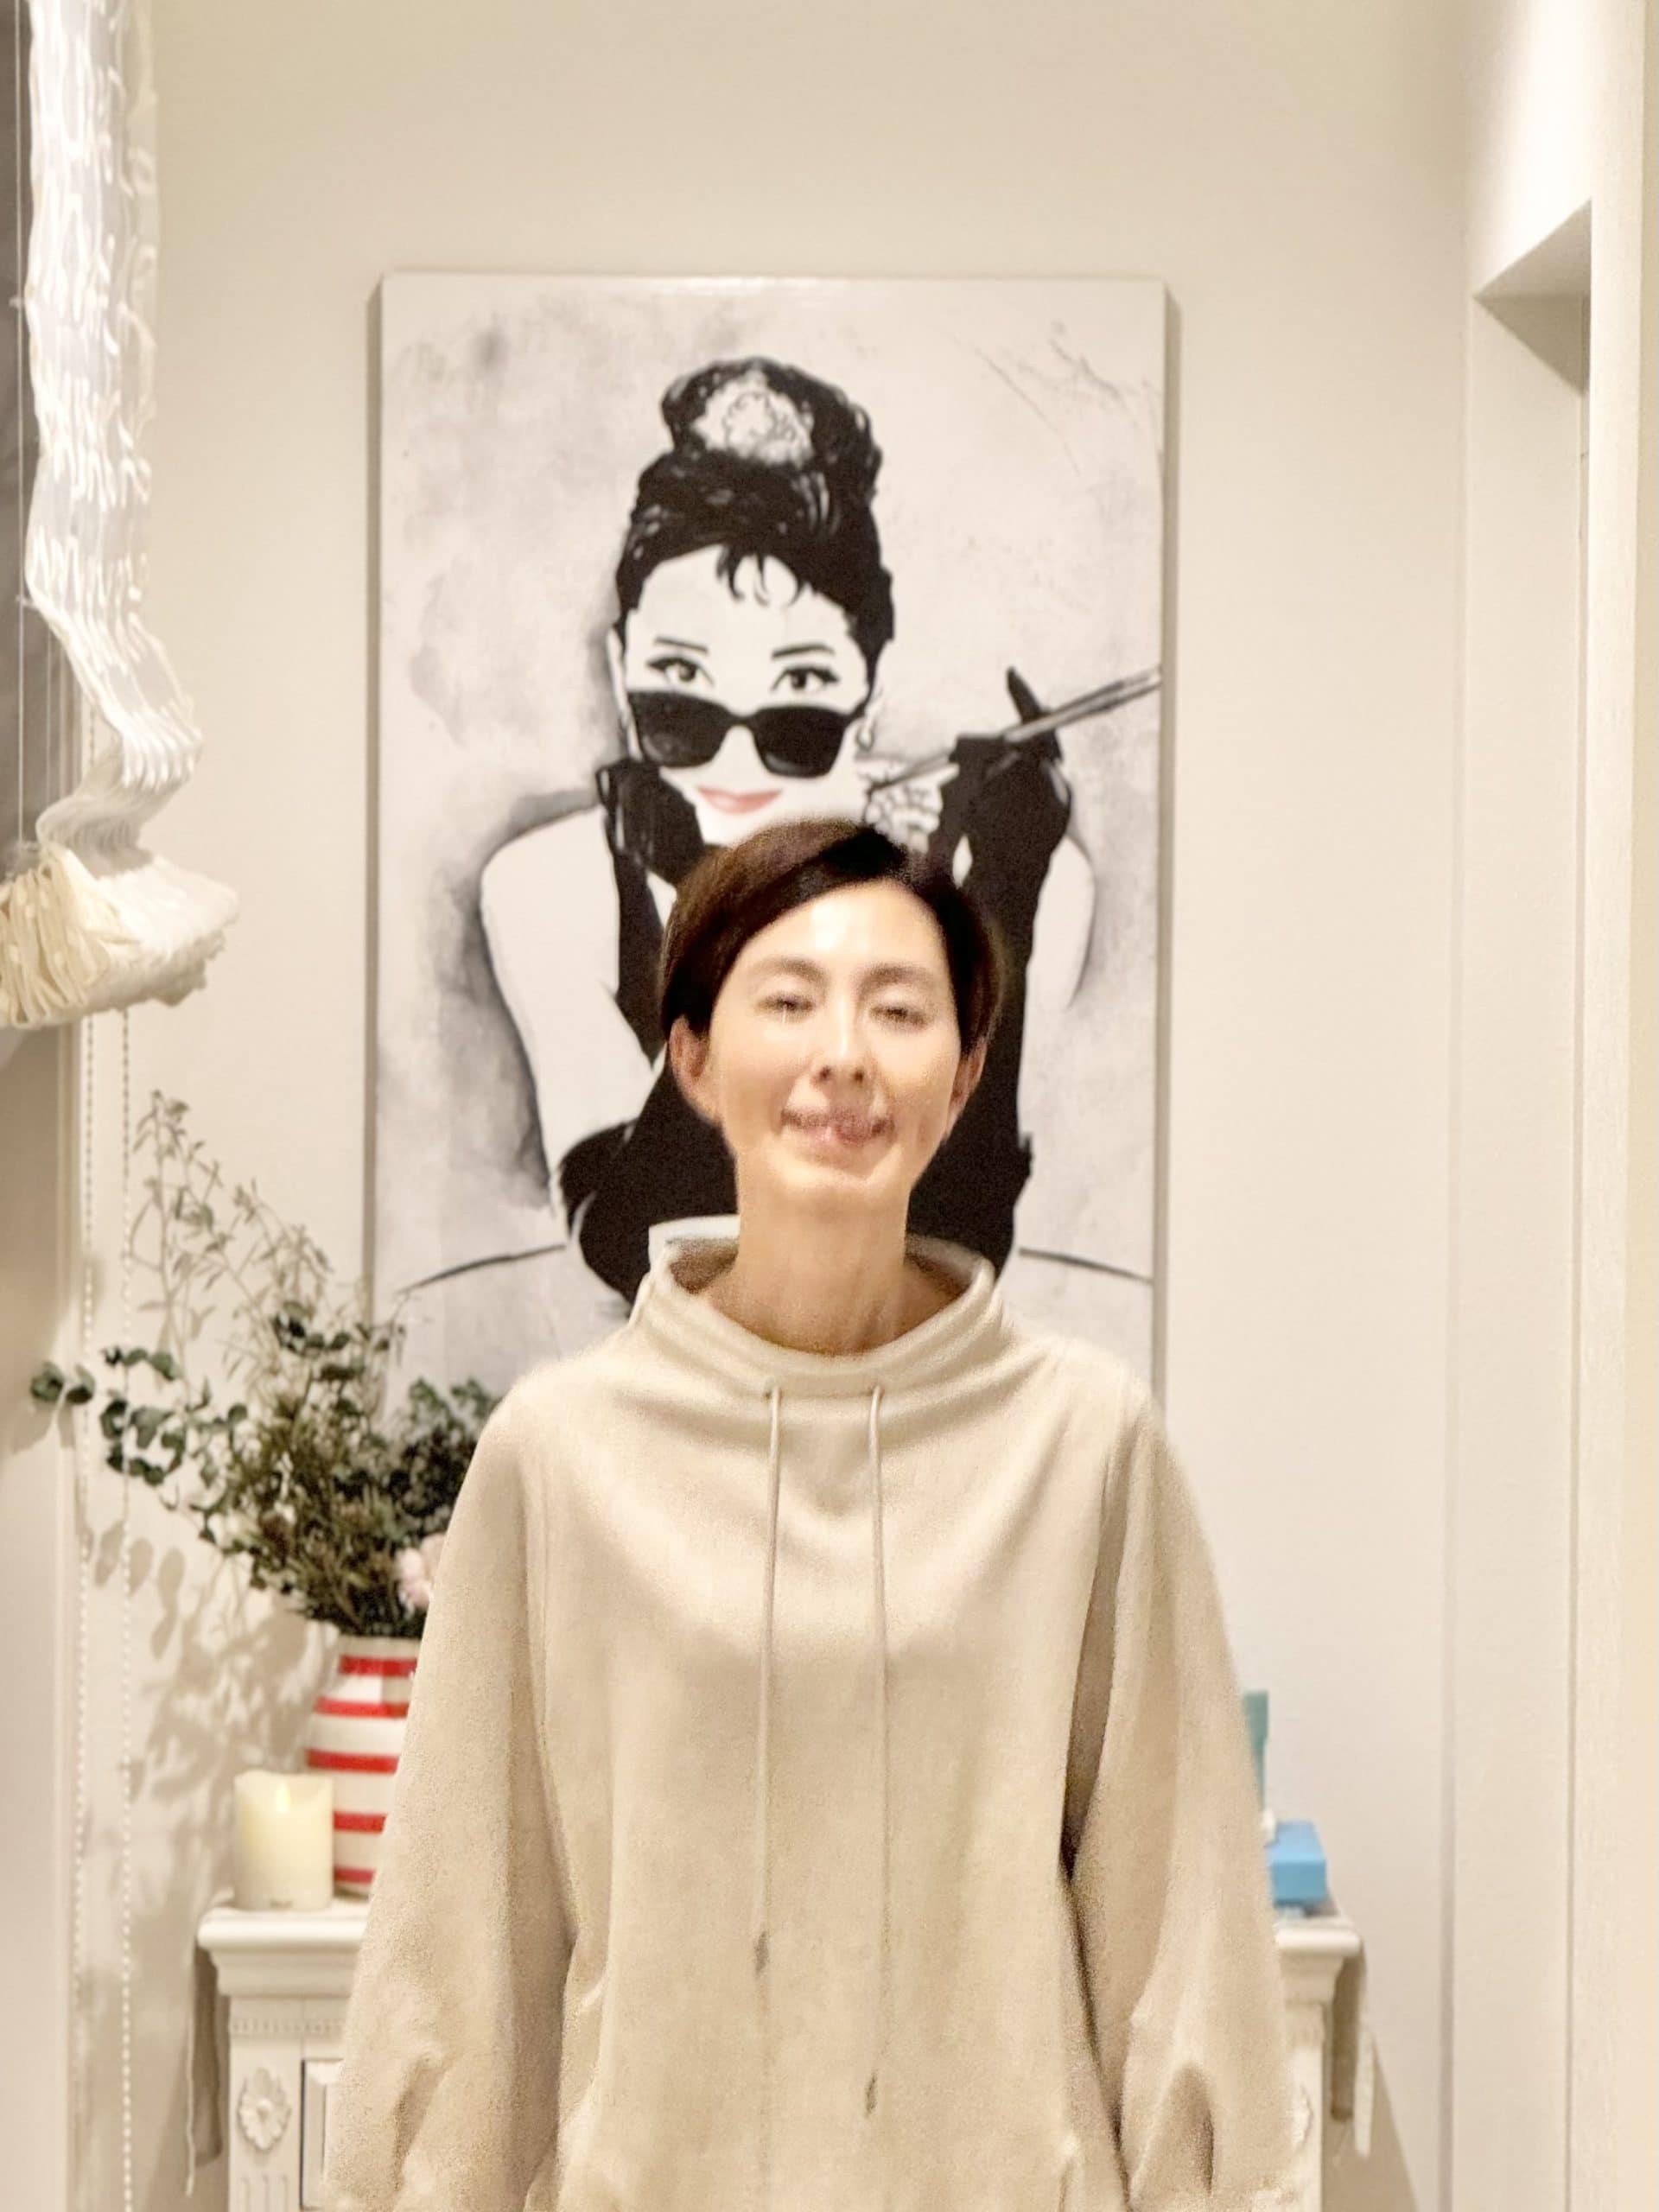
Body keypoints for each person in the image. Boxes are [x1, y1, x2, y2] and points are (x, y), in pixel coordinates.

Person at [324, 817, 1304, 2212]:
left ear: (964, 1073)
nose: (843, 1054)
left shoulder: (1085, 1449)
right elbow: (465, 1938)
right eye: (788, 1001)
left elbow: (1178, 1930)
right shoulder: (562, 1454)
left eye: (899, 1011)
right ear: (693, 1058)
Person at [479, 355, 1096, 1308]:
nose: (733, 761)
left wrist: (1006, 893)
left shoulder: (1015, 875)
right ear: (619, 668)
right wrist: (732, 894)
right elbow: (632, 1243)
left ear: (868, 696)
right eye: (681, 694)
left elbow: (959, 1238)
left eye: (797, 696)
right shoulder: (547, 884)